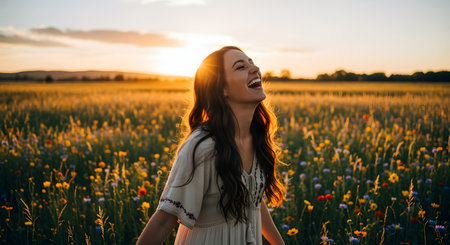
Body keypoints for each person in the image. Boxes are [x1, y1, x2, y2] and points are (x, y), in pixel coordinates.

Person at [136, 46, 285, 245]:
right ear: (221, 88)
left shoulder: (256, 138)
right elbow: (164, 221)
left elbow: (252, 201)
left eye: (252, 62)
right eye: (241, 67)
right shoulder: (203, 147)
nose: (255, 68)